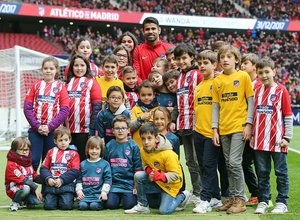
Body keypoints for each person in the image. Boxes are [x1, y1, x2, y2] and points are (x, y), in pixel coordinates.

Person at [212, 45, 254, 214]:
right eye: (222, 57)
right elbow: (215, 106)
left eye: (229, 56)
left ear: (236, 59)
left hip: (239, 126)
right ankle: (232, 198)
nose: (225, 59)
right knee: (229, 166)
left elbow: (250, 101)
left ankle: (240, 200)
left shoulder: (243, 76)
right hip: (224, 128)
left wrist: (249, 124)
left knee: (234, 163)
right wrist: (215, 129)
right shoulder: (218, 81)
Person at [253, 57, 293, 214]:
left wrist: (287, 137)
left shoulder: (281, 90)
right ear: (257, 74)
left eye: (267, 72)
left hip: (277, 140)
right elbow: (252, 113)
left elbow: (288, 115)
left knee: (280, 172)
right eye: (260, 72)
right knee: (262, 173)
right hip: (259, 140)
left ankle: (282, 202)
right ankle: (264, 200)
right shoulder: (256, 91)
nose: (264, 75)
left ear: (274, 72)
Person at [124, 122, 190, 215]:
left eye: (149, 138)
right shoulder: (143, 150)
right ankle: (142, 206)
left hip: (171, 185)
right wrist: (149, 171)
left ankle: (183, 195)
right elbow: (145, 165)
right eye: (143, 139)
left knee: (164, 211)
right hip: (156, 181)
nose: (146, 142)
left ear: (157, 138)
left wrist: (159, 176)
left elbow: (176, 176)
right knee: (138, 176)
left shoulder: (169, 154)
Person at [24, 56, 69, 170]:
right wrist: (37, 126)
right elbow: (27, 108)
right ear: (42, 69)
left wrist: (50, 127)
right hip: (35, 130)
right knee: (33, 160)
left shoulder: (60, 87)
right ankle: (30, 187)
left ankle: (46, 188)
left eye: (51, 68)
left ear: (56, 70)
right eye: (45, 68)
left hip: (53, 132)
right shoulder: (35, 85)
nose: (48, 71)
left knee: (49, 162)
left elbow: (64, 110)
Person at [173, 43, 203, 204]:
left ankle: (205, 192)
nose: (181, 61)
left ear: (192, 57)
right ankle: (197, 191)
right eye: (178, 59)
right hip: (183, 123)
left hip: (197, 124)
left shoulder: (198, 74)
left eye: (184, 58)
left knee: (199, 160)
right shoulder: (179, 76)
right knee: (190, 160)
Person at [193, 50, 222, 214]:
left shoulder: (218, 83)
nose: (202, 66)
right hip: (199, 131)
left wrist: (215, 129)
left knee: (210, 166)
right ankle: (216, 198)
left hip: (212, 132)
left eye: (206, 63)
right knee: (204, 167)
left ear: (214, 65)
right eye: (200, 63)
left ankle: (204, 200)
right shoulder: (199, 86)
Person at [65, 53, 102, 161]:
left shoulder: (92, 82)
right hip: (67, 130)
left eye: (82, 65)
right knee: (68, 159)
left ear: (87, 67)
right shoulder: (67, 82)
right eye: (76, 65)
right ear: (72, 67)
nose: (79, 68)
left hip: (84, 130)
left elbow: (97, 107)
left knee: (82, 159)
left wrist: (92, 128)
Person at [104, 115, 142, 210]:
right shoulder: (109, 146)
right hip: (114, 184)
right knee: (110, 205)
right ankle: (117, 198)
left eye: (123, 128)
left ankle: (125, 198)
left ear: (128, 130)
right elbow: (105, 167)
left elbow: (138, 168)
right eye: (117, 128)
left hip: (128, 184)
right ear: (113, 130)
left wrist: (135, 186)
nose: (120, 131)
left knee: (129, 205)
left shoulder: (133, 146)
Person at [40, 126, 80, 210]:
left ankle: (68, 199)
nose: (63, 143)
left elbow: (75, 171)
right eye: (60, 140)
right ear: (55, 141)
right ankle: (54, 199)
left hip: (66, 185)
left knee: (66, 206)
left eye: (66, 140)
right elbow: (43, 168)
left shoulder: (74, 153)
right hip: (52, 185)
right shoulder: (50, 152)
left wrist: (62, 179)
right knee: (49, 206)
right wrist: (48, 178)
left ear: (70, 140)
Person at [240, 53, 261, 206]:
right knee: (245, 162)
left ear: (254, 66)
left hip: (257, 131)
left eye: (245, 63)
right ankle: (256, 192)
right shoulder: (242, 82)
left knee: (258, 163)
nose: (242, 66)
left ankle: (261, 194)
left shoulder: (259, 85)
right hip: (244, 129)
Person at [5, 137, 43, 211]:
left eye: (26, 149)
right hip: (14, 189)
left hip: (28, 187)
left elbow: (33, 175)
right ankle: (15, 202)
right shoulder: (11, 164)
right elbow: (22, 179)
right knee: (25, 188)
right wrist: (35, 187)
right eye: (21, 149)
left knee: (36, 202)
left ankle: (24, 201)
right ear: (14, 150)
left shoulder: (27, 161)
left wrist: (46, 180)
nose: (24, 152)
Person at [76, 136, 112, 210]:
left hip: (98, 194)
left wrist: (104, 192)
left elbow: (108, 180)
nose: (94, 151)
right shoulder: (82, 164)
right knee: (82, 206)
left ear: (101, 150)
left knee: (94, 206)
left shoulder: (105, 164)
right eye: (91, 148)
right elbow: (79, 179)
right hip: (85, 195)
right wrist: (79, 191)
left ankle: (100, 203)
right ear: (87, 149)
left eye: (97, 148)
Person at [130, 80, 159, 147]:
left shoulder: (158, 110)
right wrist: (140, 119)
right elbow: (131, 127)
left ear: (154, 95)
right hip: (137, 146)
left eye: (149, 95)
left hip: (153, 147)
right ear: (139, 96)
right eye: (143, 95)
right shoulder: (135, 109)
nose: (146, 97)